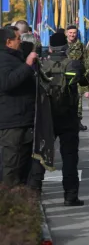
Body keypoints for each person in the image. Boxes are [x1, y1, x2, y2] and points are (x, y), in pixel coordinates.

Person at [29, 32, 88, 205]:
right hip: (68, 116)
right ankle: (70, 196)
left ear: (52, 47)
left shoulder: (41, 65)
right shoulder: (73, 64)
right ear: (66, 47)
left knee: (40, 155)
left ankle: (34, 195)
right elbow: (83, 80)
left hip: (45, 116)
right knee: (69, 157)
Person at [0, 28, 38, 187]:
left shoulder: (15, 57)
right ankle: (9, 201)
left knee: (23, 164)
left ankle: (20, 197)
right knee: (11, 163)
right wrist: (27, 65)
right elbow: (7, 83)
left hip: (23, 119)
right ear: (8, 42)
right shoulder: (3, 59)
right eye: (17, 39)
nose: (20, 41)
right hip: (12, 121)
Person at [66, 24, 88, 131]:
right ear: (66, 33)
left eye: (74, 33)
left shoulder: (81, 46)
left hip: (77, 76)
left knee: (78, 99)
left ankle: (78, 121)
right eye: (70, 33)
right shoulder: (63, 45)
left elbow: (85, 61)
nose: (72, 35)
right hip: (65, 76)